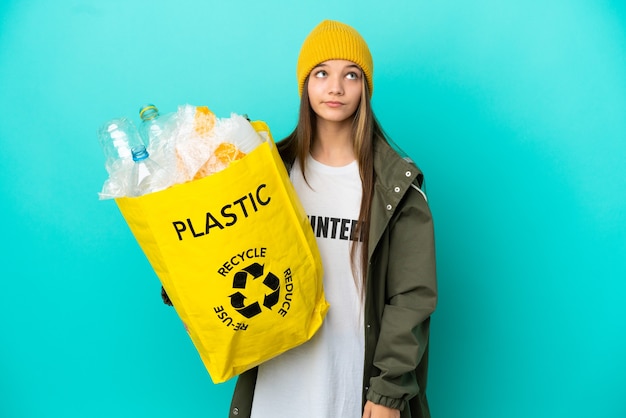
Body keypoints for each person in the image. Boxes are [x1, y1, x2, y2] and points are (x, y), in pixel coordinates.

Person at [226, 20, 438, 418]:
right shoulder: (267, 171)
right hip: (276, 382)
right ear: (305, 84)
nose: (335, 87)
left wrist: (389, 392)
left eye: (351, 75)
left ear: (365, 88)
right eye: (321, 73)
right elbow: (227, 255)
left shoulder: (397, 185)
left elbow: (412, 297)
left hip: (352, 389)